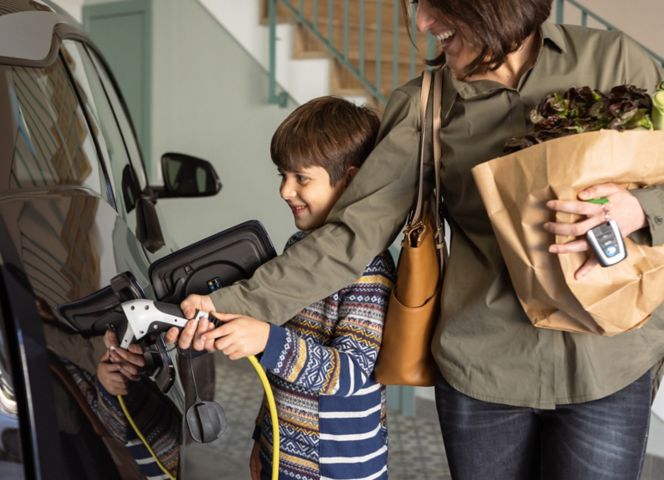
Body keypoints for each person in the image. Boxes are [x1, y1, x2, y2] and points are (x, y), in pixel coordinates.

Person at [168, 1, 664, 479]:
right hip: (483, 370)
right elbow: (351, 235)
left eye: (436, 3)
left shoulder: (615, 60)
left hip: (610, 362)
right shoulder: (423, 104)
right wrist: (229, 304)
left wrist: (639, 209)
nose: (424, 22)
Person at [171, 96, 395, 480]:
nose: (285, 191)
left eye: (301, 178)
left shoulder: (369, 268)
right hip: (285, 458)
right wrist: (263, 438)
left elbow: (353, 372)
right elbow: (280, 373)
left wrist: (267, 341)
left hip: (338, 470)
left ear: (351, 180)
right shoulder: (297, 251)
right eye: (283, 176)